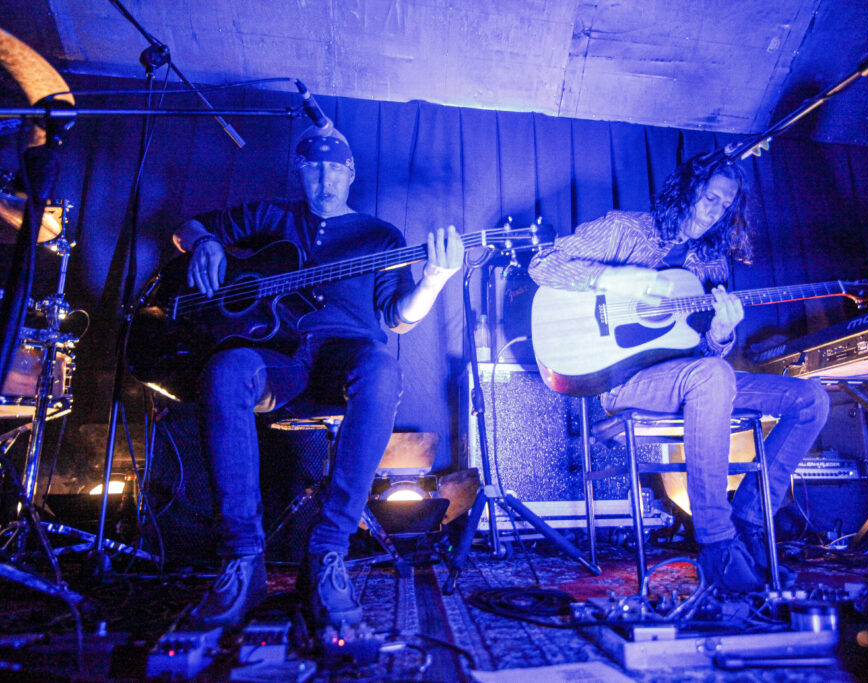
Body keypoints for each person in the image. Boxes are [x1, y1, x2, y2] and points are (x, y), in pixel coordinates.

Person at [173, 125, 464, 630]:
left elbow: (397, 318)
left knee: (381, 368)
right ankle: (242, 559)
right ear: (300, 173)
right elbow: (188, 227)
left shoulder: (380, 237)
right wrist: (204, 244)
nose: (324, 179)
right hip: (277, 358)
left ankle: (328, 551)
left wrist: (435, 280)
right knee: (225, 368)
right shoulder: (272, 216)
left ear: (350, 174)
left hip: (344, 359)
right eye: (313, 169)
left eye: (334, 169)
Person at [528, 154, 830, 592]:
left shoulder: (711, 264)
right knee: (712, 376)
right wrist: (613, 280)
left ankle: (749, 518)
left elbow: (705, 354)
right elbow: (543, 265)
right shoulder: (626, 229)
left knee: (811, 399)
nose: (715, 211)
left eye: (725, 205)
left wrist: (722, 334)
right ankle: (717, 544)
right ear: (687, 189)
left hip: (691, 378)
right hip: (624, 381)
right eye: (709, 197)